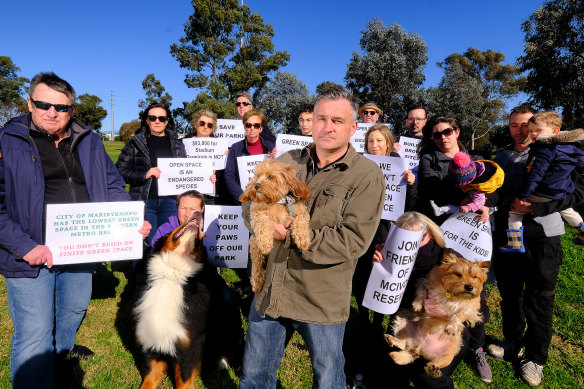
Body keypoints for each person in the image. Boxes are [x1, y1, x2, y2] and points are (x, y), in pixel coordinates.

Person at [0, 72, 151, 389]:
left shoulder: (90, 140)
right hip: (31, 254)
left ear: (72, 109)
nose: (52, 112)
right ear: (30, 103)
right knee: (34, 332)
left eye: (62, 107)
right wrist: (25, 247)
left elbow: (112, 185)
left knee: (73, 309)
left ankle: (59, 357)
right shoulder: (8, 141)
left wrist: (128, 219)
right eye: (43, 104)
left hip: (81, 248)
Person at [238, 89, 385, 388]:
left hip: (321, 299)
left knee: (328, 378)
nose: (327, 126)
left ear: (353, 127)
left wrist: (286, 235)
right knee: (254, 378)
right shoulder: (288, 160)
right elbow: (249, 202)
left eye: (337, 120)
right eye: (321, 118)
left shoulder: (366, 176)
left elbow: (352, 240)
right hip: (272, 290)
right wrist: (263, 226)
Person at [487, 105, 584, 387]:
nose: (520, 131)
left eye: (525, 125)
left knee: (541, 299)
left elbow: (577, 192)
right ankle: (511, 345)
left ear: (536, 126)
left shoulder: (557, 152)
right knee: (511, 296)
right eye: (513, 126)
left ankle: (536, 358)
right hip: (509, 237)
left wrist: (537, 209)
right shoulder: (503, 157)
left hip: (545, 238)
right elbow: (493, 192)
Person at [416, 116, 492, 383]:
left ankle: (475, 348)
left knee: (475, 295)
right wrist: (465, 182)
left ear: (457, 131)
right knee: (441, 284)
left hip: (471, 235)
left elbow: (494, 188)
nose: (443, 137)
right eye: (436, 135)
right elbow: (430, 186)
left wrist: (484, 202)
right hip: (442, 235)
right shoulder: (429, 159)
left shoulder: (479, 158)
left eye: (447, 132)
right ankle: (430, 340)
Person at [352, 124, 415, 329]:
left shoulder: (399, 166)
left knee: (381, 272)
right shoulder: (359, 163)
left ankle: (379, 319)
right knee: (361, 273)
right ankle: (362, 314)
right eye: (370, 141)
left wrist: (411, 184)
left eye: (379, 140)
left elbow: (409, 205)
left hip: (386, 231)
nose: (374, 145)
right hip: (362, 227)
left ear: (388, 143)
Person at [501, 111, 584, 251]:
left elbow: (535, 174)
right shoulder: (571, 147)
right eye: (531, 130)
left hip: (543, 201)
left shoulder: (544, 148)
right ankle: (582, 233)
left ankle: (514, 243)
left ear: (554, 130)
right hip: (560, 192)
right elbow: (581, 163)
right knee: (568, 210)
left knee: (515, 212)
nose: (532, 133)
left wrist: (522, 196)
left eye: (537, 130)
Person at [116, 102, 186, 245]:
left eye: (162, 118)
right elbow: (119, 172)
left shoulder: (178, 144)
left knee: (168, 244)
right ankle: (141, 268)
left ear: (167, 121)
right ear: (147, 120)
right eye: (153, 118)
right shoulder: (135, 143)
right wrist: (144, 174)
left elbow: (186, 170)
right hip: (146, 201)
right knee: (146, 244)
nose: (157, 121)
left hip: (171, 202)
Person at [429, 151, 504, 217]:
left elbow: (479, 202)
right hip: (470, 198)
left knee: (460, 208)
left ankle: (441, 210)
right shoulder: (470, 171)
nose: (455, 185)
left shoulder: (477, 189)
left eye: (457, 183)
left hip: (476, 206)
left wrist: (468, 207)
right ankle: (441, 210)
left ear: (466, 182)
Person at [224, 109, 275, 204]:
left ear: (261, 128)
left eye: (256, 125)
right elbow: (229, 175)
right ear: (244, 127)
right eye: (248, 125)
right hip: (244, 201)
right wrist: (242, 196)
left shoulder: (271, 147)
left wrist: (274, 161)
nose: (252, 128)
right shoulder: (235, 148)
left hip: (266, 200)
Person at [184, 109, 230, 206]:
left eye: (209, 125)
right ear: (195, 124)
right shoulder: (183, 144)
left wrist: (227, 158)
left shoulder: (220, 145)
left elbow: (224, 173)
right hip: (189, 193)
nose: (205, 127)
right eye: (202, 123)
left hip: (211, 195)